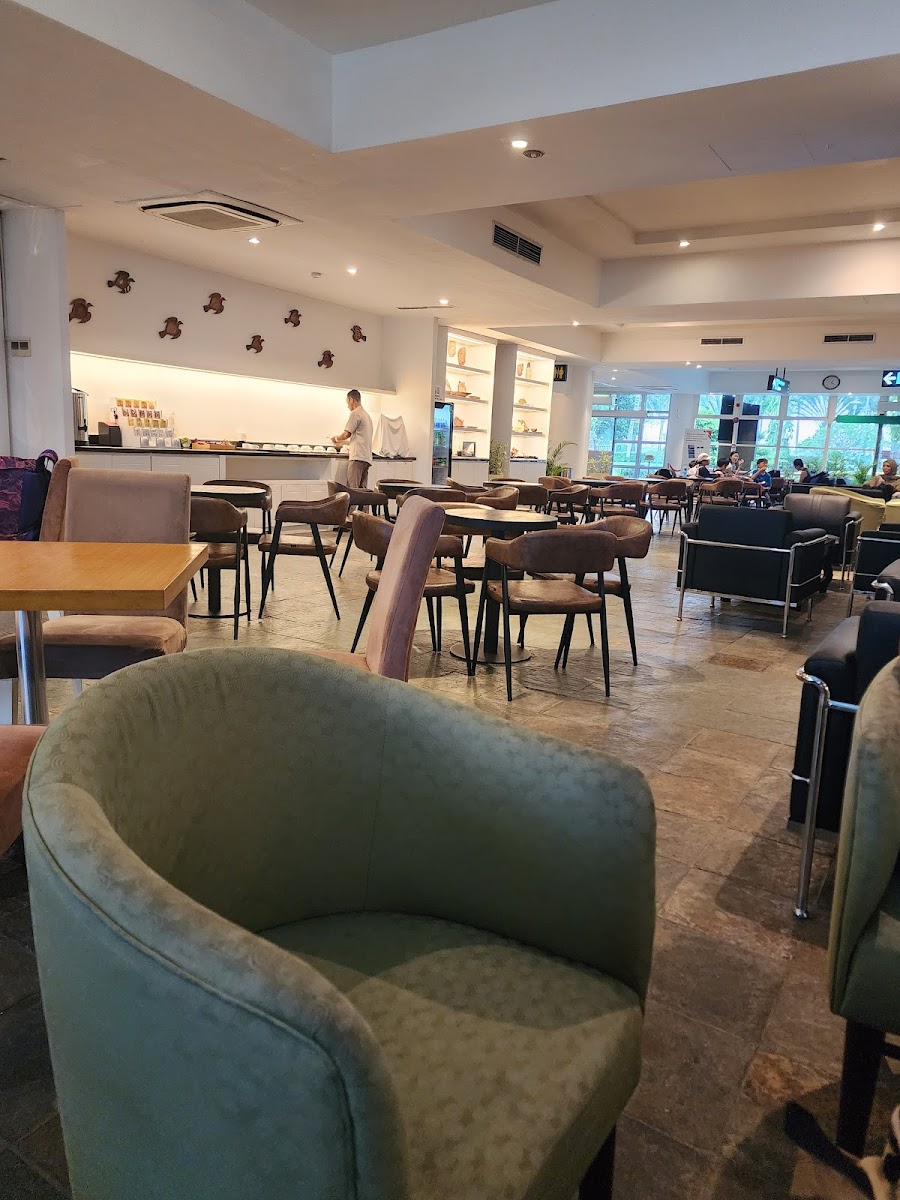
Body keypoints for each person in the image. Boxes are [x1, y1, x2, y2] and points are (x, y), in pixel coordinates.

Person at [331, 389, 373, 489]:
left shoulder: (355, 413)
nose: (347, 406)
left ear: (351, 400)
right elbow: (360, 439)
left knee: (353, 490)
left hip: (357, 458)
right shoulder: (367, 416)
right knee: (363, 491)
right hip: (366, 458)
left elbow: (347, 434)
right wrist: (343, 442)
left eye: (347, 403)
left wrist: (336, 438)